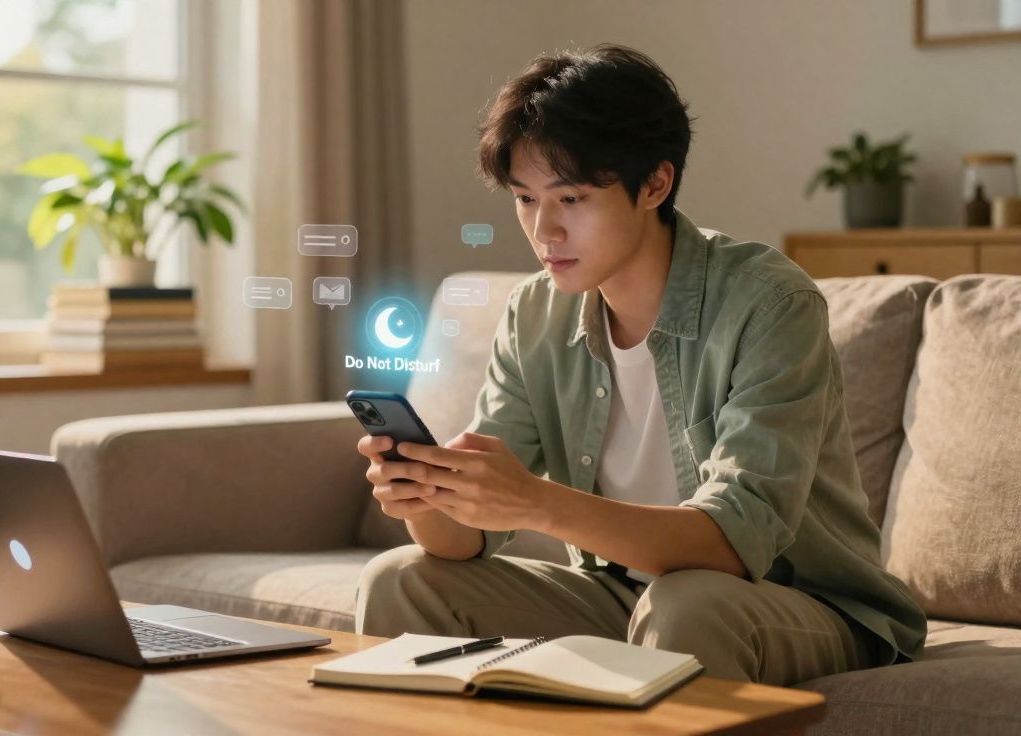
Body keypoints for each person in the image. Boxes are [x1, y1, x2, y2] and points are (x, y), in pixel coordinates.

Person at [353, 44, 926, 686]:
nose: (544, 231)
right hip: (627, 599)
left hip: (800, 603)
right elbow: (467, 542)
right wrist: (428, 499)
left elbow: (736, 542)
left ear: (655, 183)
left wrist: (538, 503)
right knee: (399, 582)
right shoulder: (533, 315)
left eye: (571, 199)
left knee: (688, 605)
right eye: (524, 199)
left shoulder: (769, 303)